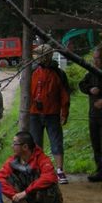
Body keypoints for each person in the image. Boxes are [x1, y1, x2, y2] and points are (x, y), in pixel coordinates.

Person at [0, 131, 63, 203]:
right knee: (7, 179)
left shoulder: (41, 158)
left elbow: (50, 177)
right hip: (27, 198)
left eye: (14, 143)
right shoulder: (14, 160)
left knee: (46, 186)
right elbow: (0, 178)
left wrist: (26, 192)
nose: (12, 146)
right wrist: (14, 195)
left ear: (25, 147)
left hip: (45, 200)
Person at [30, 44, 71, 184]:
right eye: (37, 54)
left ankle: (59, 170)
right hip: (34, 113)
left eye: (40, 54)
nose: (37, 57)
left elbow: (64, 95)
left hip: (52, 113)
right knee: (36, 143)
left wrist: (64, 113)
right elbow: (26, 94)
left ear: (47, 56)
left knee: (56, 142)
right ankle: (39, 170)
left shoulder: (58, 73)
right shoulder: (32, 71)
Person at [79, 46, 102, 182]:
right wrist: (90, 89)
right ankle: (99, 170)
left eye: (97, 59)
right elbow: (82, 84)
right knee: (96, 145)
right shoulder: (92, 72)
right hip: (93, 115)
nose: (95, 62)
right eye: (94, 59)